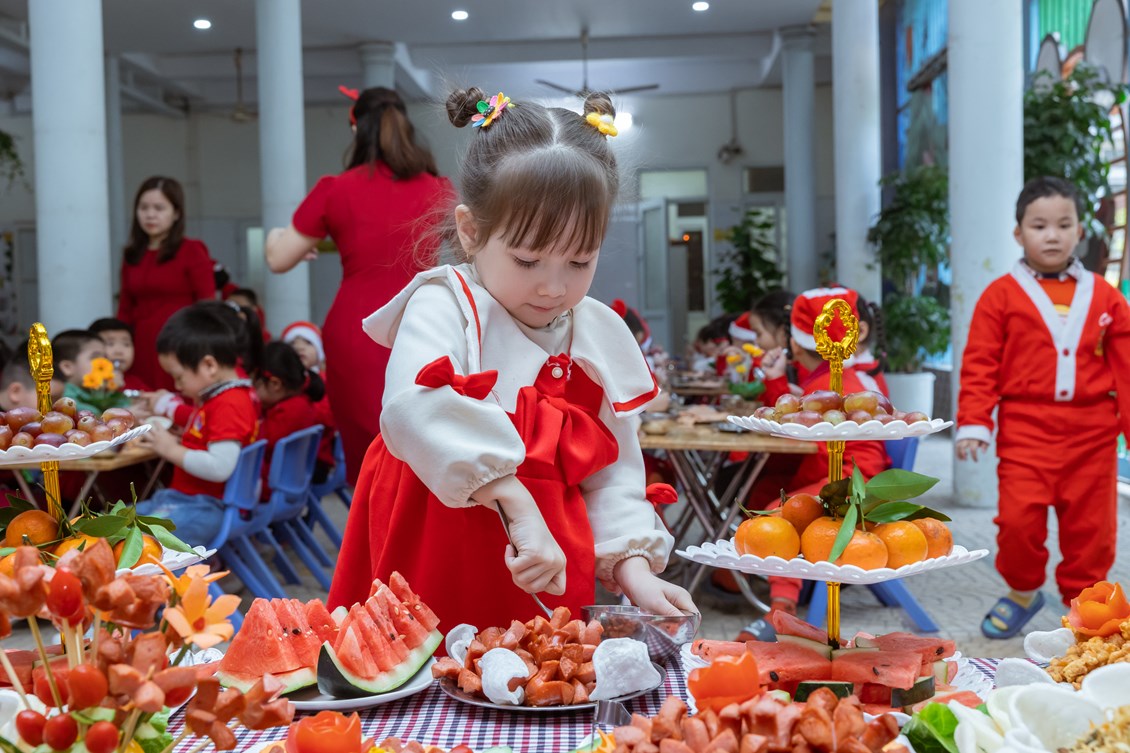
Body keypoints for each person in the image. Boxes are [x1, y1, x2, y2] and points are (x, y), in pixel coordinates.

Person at [326, 87, 695, 629]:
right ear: (471, 232)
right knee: (424, 667)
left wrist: (635, 570)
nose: (553, 287)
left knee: (542, 668)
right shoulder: (445, 303)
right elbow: (411, 408)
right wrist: (514, 500)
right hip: (433, 545)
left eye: (579, 261)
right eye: (527, 260)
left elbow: (612, 473)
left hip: (547, 568)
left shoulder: (595, 333)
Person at [956, 176, 1130, 639]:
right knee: (1017, 524)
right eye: (1039, 226)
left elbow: (1126, 368)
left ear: (1080, 231)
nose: (1052, 235)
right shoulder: (999, 295)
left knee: (1093, 531)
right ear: (1019, 233)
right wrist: (974, 421)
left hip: (1092, 434)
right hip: (1025, 432)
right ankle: (1022, 591)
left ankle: (1085, 603)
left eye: (1063, 224)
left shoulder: (1105, 295)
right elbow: (980, 363)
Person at [265, 86, 453, 485]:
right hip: (424, 324)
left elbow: (278, 259)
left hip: (356, 329)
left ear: (356, 129)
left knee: (371, 460)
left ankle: (371, 522)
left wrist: (274, 236)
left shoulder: (334, 189)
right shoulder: (439, 189)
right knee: (426, 449)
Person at [734, 287, 891, 640]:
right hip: (838, 473)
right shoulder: (827, 380)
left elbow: (796, 430)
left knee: (782, 513)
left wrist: (775, 383)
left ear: (795, 343)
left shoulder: (831, 382)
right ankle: (733, 578)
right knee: (763, 487)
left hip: (852, 483)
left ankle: (783, 605)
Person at [135, 302, 260, 547]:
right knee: (113, 519)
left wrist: (171, 449)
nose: (177, 385)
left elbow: (220, 467)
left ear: (209, 365)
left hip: (205, 506)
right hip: (187, 500)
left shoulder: (228, 403)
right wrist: (180, 437)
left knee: (134, 538)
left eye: (178, 376)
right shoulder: (221, 397)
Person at [117, 176, 216, 392]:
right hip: (140, 345)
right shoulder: (132, 254)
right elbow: (125, 307)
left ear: (176, 213)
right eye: (144, 207)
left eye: (159, 208)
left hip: (179, 344)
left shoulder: (192, 250)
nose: (150, 214)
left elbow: (207, 304)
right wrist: (116, 344)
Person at [254, 341, 332, 494]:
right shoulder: (301, 401)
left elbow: (260, 440)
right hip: (286, 481)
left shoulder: (291, 410)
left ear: (275, 384)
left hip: (272, 485)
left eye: (255, 384)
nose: (253, 391)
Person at [51, 330, 128, 414]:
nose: (104, 363)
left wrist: (111, 390)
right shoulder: (63, 395)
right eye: (95, 357)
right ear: (67, 367)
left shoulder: (96, 391)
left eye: (105, 358)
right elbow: (90, 415)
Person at [89, 317, 148, 392]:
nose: (119, 351)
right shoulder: (87, 381)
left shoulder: (135, 382)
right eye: (110, 344)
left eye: (126, 344)